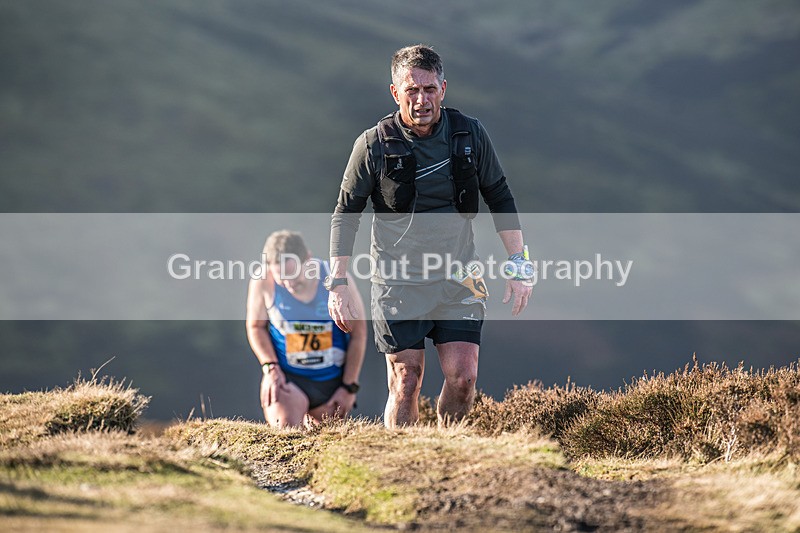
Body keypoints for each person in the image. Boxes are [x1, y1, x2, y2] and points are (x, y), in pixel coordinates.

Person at [328, 44, 533, 428]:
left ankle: (443, 453)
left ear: (443, 88)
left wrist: (520, 264)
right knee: (406, 381)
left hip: (459, 277)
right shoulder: (372, 145)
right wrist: (337, 283)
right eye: (411, 91)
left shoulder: (469, 134)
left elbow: (500, 196)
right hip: (397, 281)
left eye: (429, 89)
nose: (421, 100)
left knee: (464, 379)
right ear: (395, 93)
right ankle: (400, 467)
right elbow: (346, 214)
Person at [246, 230, 366, 428]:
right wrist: (270, 367)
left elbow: (358, 334)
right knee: (286, 433)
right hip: (289, 379)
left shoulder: (335, 280)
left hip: (331, 381)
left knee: (329, 444)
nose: (289, 284)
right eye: (281, 278)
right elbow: (255, 326)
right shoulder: (262, 282)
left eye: (294, 275)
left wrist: (349, 386)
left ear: (308, 260)